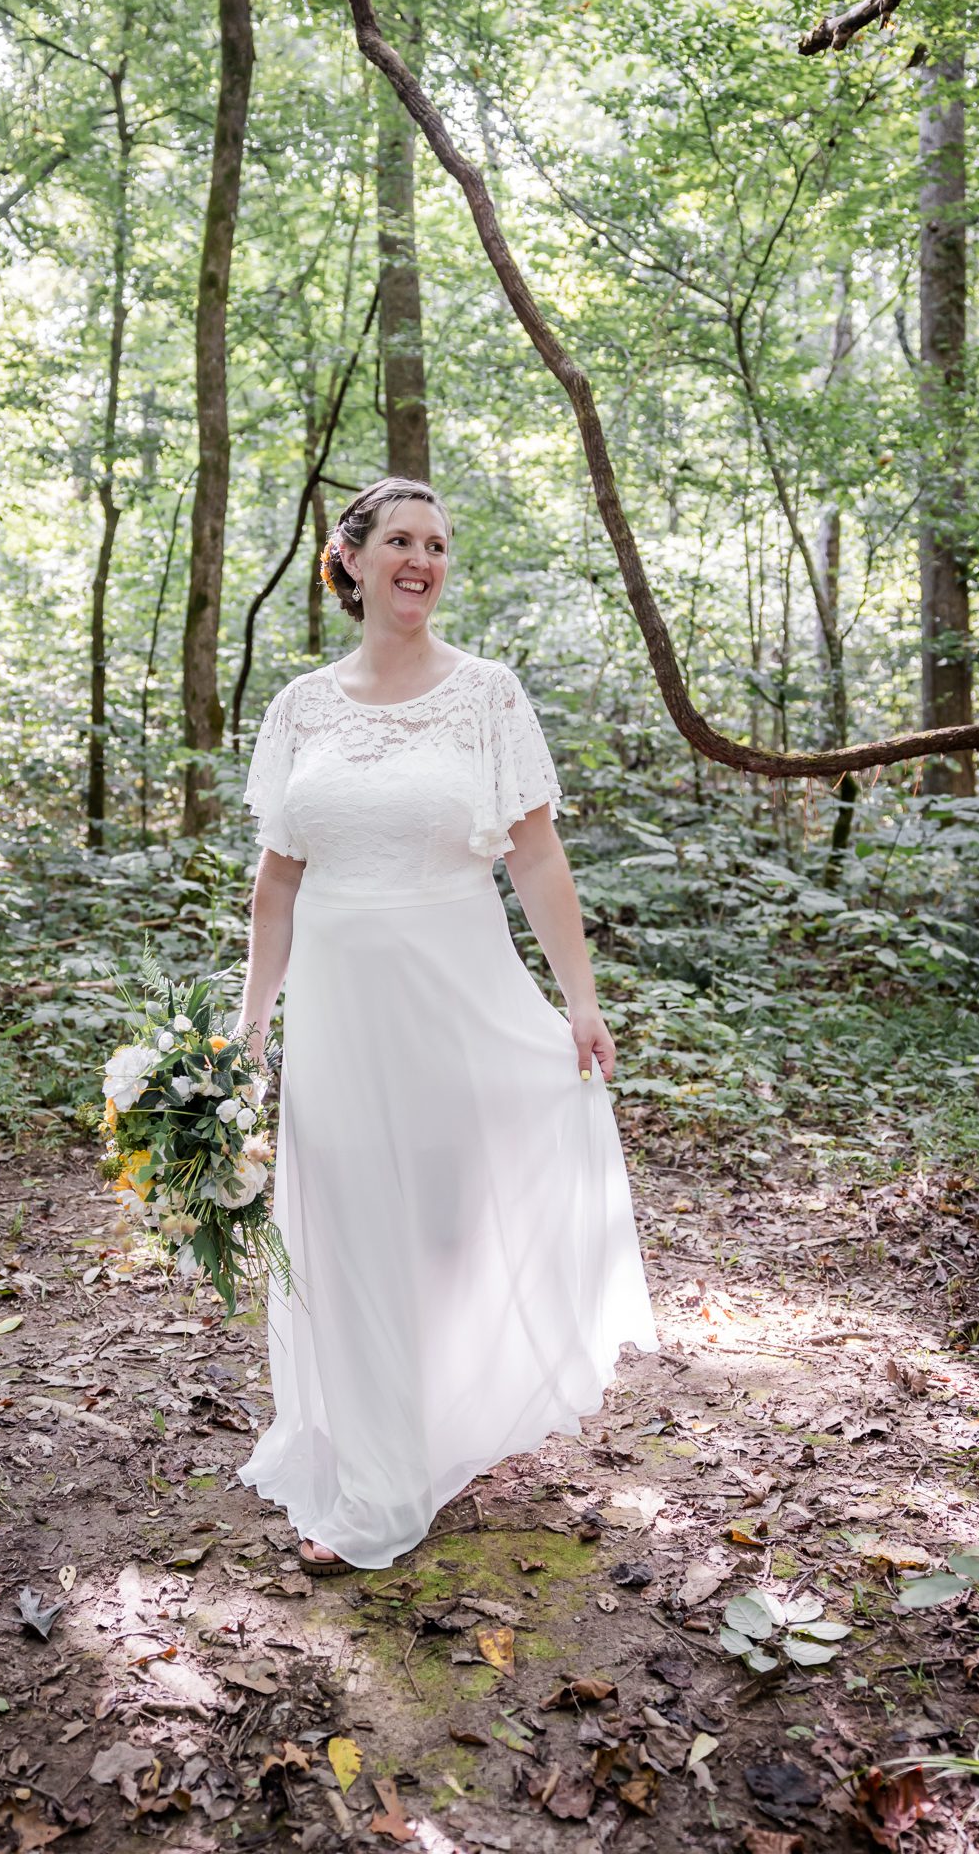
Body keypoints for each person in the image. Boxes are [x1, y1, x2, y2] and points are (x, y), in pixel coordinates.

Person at [233, 475, 658, 1573]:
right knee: (345, 1222)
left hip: (451, 998)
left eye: (437, 544)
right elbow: (276, 883)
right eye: (402, 541)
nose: (422, 559)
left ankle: (443, 1422)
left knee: (436, 1227)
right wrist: (249, 1023)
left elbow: (535, 853)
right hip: (334, 1010)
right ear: (352, 558)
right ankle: (375, 1482)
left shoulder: (486, 696)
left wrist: (579, 997)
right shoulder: (300, 707)